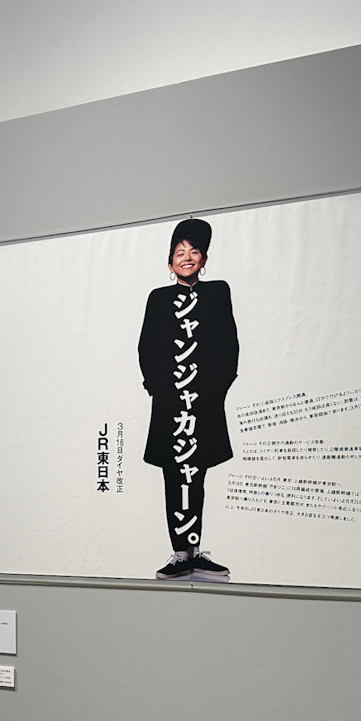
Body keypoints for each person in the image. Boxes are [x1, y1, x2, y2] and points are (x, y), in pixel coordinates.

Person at [138, 218, 239, 580]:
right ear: (170, 263)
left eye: (194, 251)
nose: (187, 257)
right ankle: (180, 554)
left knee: (197, 474)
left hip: (204, 403)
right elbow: (146, 347)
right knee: (174, 474)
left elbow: (230, 345)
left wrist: (217, 390)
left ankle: (194, 553)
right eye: (180, 252)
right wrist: (159, 389)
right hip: (170, 404)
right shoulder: (158, 298)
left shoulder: (218, 292)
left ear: (204, 260)